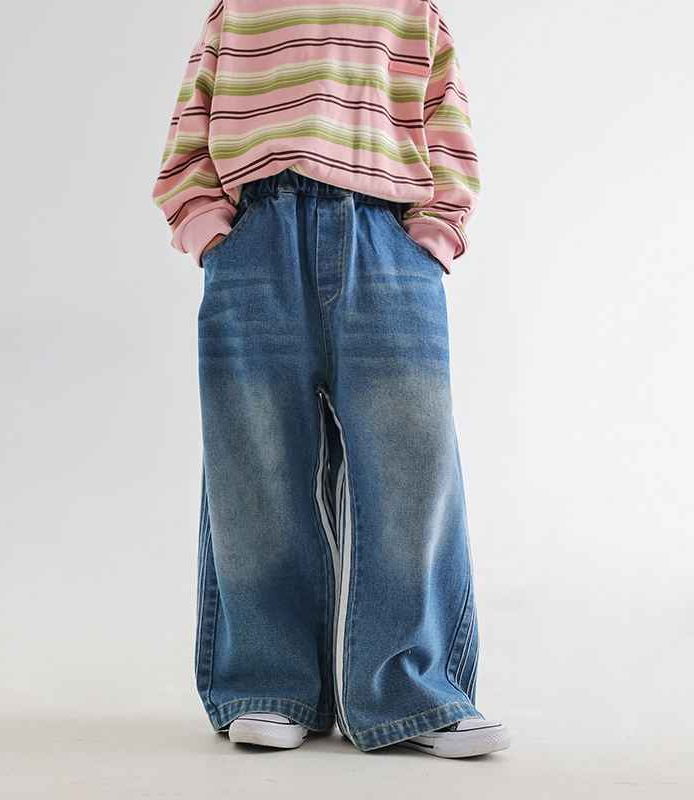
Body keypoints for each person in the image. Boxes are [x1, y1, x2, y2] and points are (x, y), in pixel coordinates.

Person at [151, 0, 510, 758]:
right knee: (257, 470)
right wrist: (216, 236)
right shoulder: (237, 8)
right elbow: (188, 139)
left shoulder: (412, 9)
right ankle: (269, 684)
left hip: (387, 238)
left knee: (413, 472)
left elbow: (447, 124)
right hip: (257, 238)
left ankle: (417, 692)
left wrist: (433, 236)